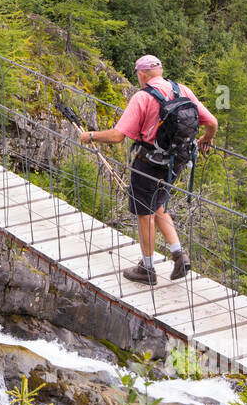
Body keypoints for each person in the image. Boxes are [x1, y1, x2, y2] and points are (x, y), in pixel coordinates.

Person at [78, 55, 217, 285]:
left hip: (148, 163)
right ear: (160, 71)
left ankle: (147, 269)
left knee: (145, 213)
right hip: (176, 162)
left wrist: (90, 136)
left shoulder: (142, 97)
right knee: (159, 203)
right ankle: (179, 254)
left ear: (142, 74)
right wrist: (205, 139)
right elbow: (212, 122)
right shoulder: (182, 90)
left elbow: (117, 136)